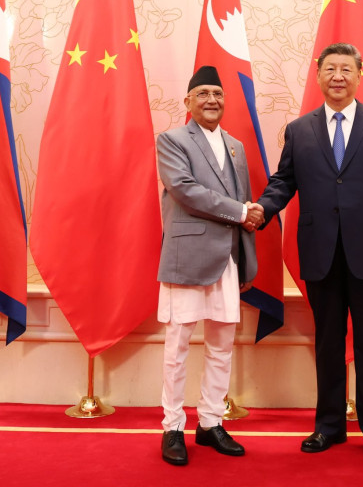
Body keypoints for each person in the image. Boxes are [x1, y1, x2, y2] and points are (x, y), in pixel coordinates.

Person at [256, 43, 363, 463]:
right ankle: (328, 426)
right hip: (321, 251)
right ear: (319, 74)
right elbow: (283, 181)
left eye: (347, 69)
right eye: (331, 69)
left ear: (360, 74)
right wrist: (261, 209)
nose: (338, 76)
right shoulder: (300, 129)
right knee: (327, 343)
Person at [155, 65, 265, 466]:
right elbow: (184, 190)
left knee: (221, 347)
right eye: (202, 93)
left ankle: (210, 422)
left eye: (217, 94)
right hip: (187, 258)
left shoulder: (235, 145)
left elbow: (246, 200)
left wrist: (250, 237)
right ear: (187, 102)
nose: (211, 100)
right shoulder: (171, 140)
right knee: (177, 348)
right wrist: (241, 211)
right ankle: (172, 427)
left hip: (227, 260)